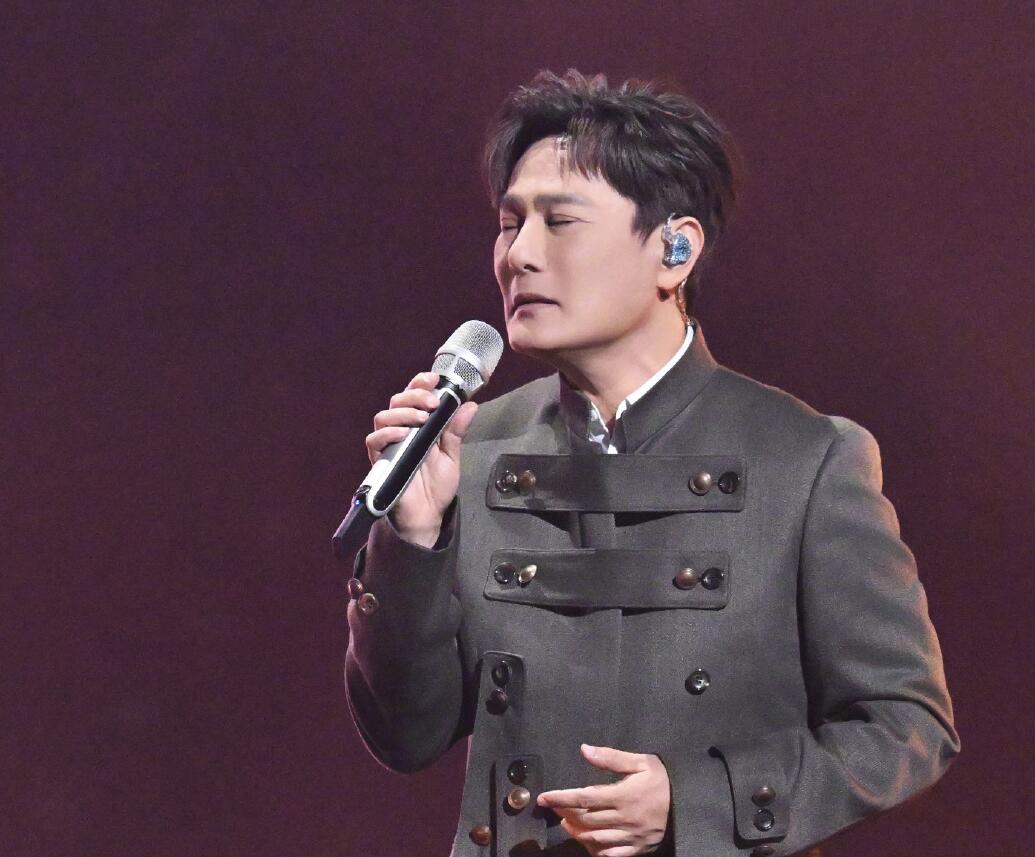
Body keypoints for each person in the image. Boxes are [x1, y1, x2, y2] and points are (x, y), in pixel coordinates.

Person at [343, 70, 959, 857]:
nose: (519, 255)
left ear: (674, 249)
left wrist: (696, 801)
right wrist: (412, 538)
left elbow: (906, 727)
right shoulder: (474, 447)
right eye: (509, 224)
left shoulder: (804, 459)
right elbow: (405, 736)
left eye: (560, 222)